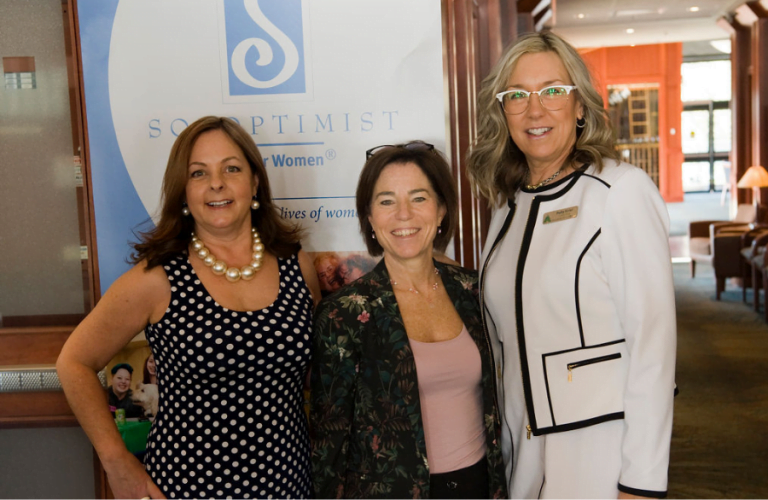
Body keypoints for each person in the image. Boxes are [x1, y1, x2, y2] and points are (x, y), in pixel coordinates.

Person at [57, 116, 321, 499]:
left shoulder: (297, 265)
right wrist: (116, 460)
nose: (217, 183)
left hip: (288, 484)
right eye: (199, 173)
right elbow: (74, 362)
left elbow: (316, 372)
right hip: (186, 486)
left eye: (231, 168)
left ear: (255, 182)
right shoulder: (156, 279)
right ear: (183, 191)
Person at [466, 31, 677, 499]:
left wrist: (640, 481)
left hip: (598, 452)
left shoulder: (619, 191)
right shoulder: (507, 207)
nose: (534, 110)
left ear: (580, 105)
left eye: (553, 91)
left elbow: (654, 345)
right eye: (517, 95)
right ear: (503, 112)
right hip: (523, 451)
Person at [310, 142, 507, 499]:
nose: (404, 214)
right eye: (386, 201)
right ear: (369, 217)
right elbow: (330, 444)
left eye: (419, 198)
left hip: (479, 486)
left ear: (442, 208)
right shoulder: (344, 314)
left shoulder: (477, 293)